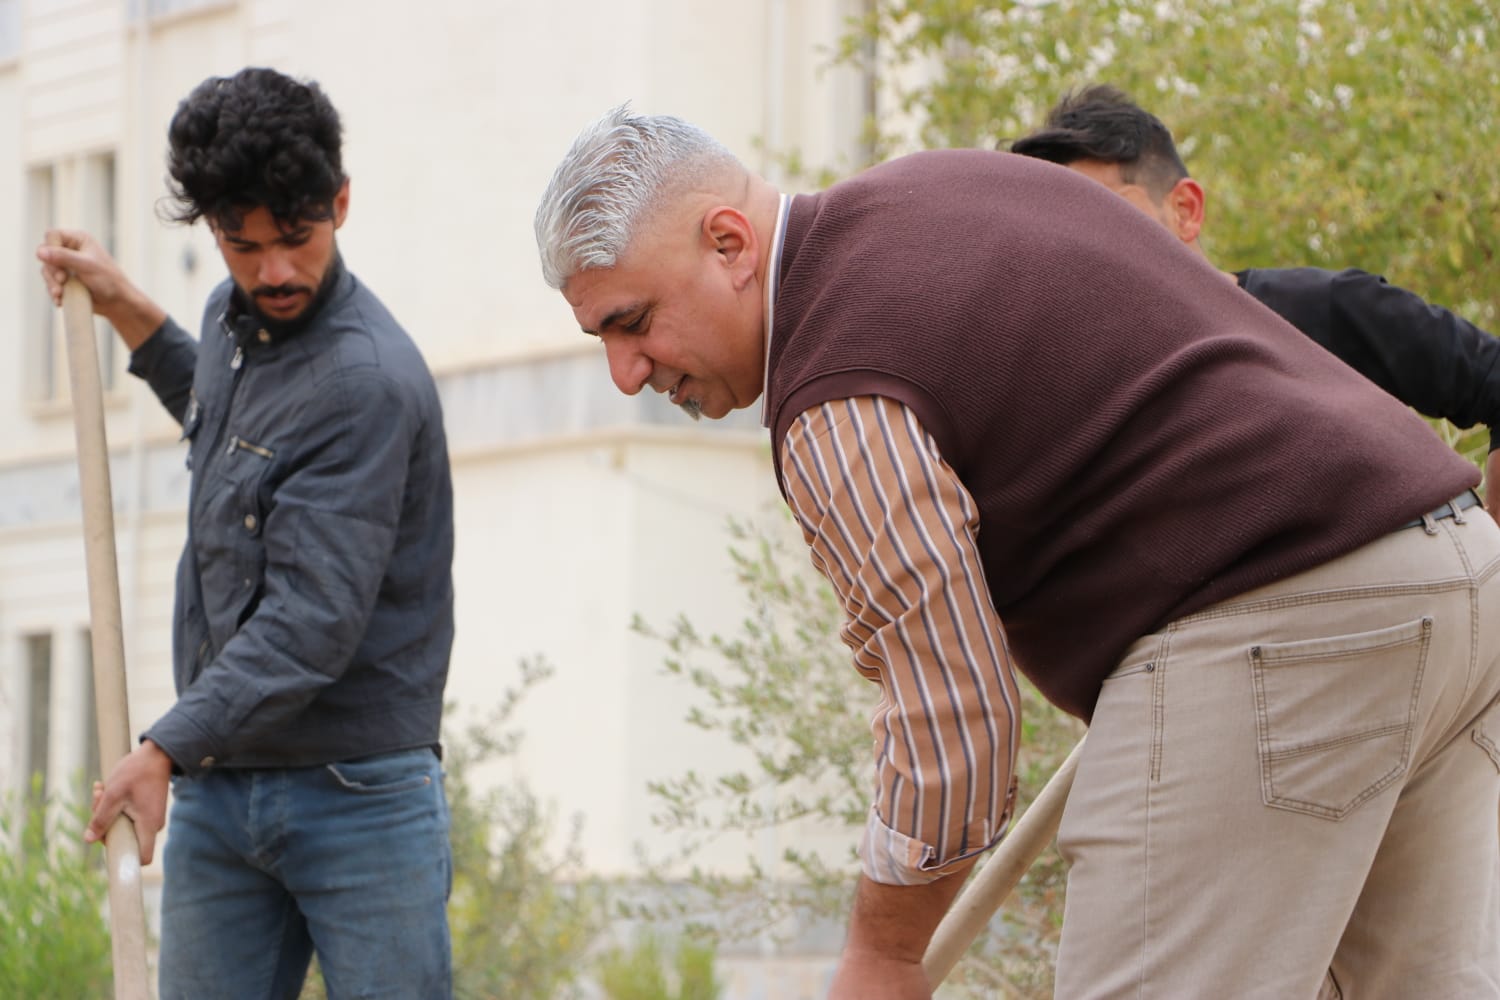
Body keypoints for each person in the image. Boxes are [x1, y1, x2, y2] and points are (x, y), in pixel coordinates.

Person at [534, 106, 1500, 999]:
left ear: (729, 244)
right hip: (1456, 576)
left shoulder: (835, 388)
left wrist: (883, 953)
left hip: (1269, 622)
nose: (624, 374)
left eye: (634, 322)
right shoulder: (942, 186)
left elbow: (952, 716)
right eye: (600, 339)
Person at [37, 67, 455, 1000]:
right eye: (244, 244)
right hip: (224, 786)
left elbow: (311, 621)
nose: (273, 273)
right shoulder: (233, 323)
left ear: (340, 204)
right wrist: (125, 306)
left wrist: (160, 750)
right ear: (214, 230)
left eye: (295, 239)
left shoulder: (365, 383)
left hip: (359, 797)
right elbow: (227, 422)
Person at [1010, 84, 1500, 496]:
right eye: (1068, 233)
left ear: (1185, 210)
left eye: (1111, 216)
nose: (1092, 248)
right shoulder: (1084, 401)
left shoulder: (1324, 309)